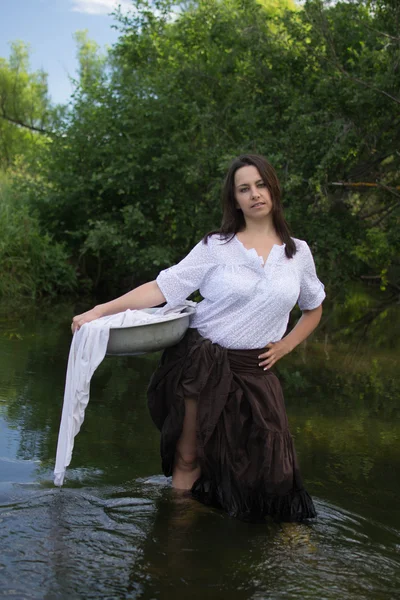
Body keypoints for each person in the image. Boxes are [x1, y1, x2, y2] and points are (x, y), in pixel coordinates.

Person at [72, 154, 325, 522]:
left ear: (273, 188)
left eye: (260, 185)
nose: (254, 194)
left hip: (257, 370)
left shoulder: (298, 253)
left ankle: (262, 544)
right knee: (189, 456)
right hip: (204, 365)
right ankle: (178, 536)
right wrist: (100, 310)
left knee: (272, 466)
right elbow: (163, 287)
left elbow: (313, 308)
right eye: (244, 188)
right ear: (234, 199)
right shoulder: (215, 247)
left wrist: (285, 345)